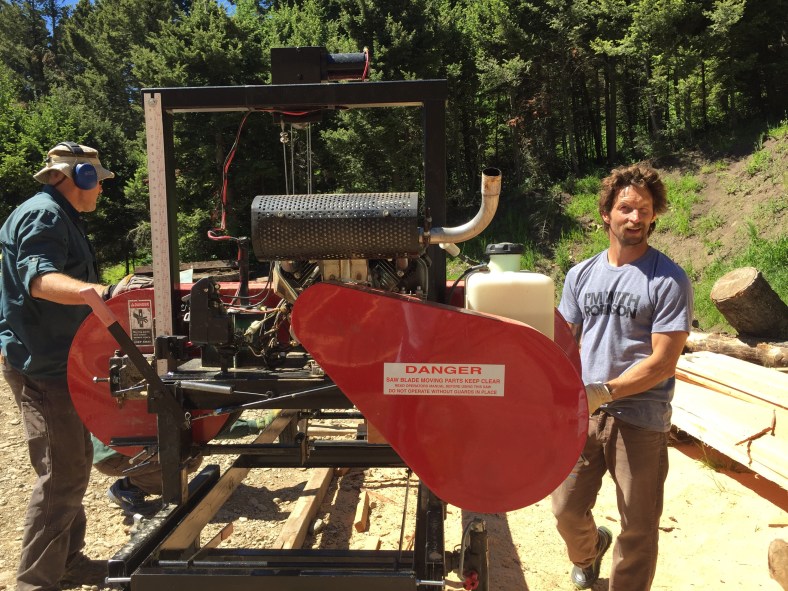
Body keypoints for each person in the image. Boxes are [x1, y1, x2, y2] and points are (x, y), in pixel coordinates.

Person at [0, 142, 142, 590]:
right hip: (43, 363)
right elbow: (40, 280)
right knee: (61, 475)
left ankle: (67, 563)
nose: (101, 188)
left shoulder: (60, 215)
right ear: (80, 176)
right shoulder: (44, 215)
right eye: (98, 180)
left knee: (74, 465)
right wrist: (100, 293)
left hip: (60, 359)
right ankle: (35, 583)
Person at [552, 164, 693, 591]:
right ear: (606, 214)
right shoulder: (580, 275)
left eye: (644, 210)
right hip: (584, 412)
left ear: (654, 216)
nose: (635, 218)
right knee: (565, 510)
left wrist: (605, 391)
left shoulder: (668, 279)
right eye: (626, 208)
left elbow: (663, 362)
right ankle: (590, 549)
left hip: (641, 416)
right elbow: (563, 343)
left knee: (638, 527)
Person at [94, 414, 276, 517]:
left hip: (113, 447)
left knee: (186, 453)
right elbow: (204, 426)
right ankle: (128, 489)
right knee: (187, 457)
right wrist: (255, 425)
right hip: (113, 456)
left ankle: (131, 485)